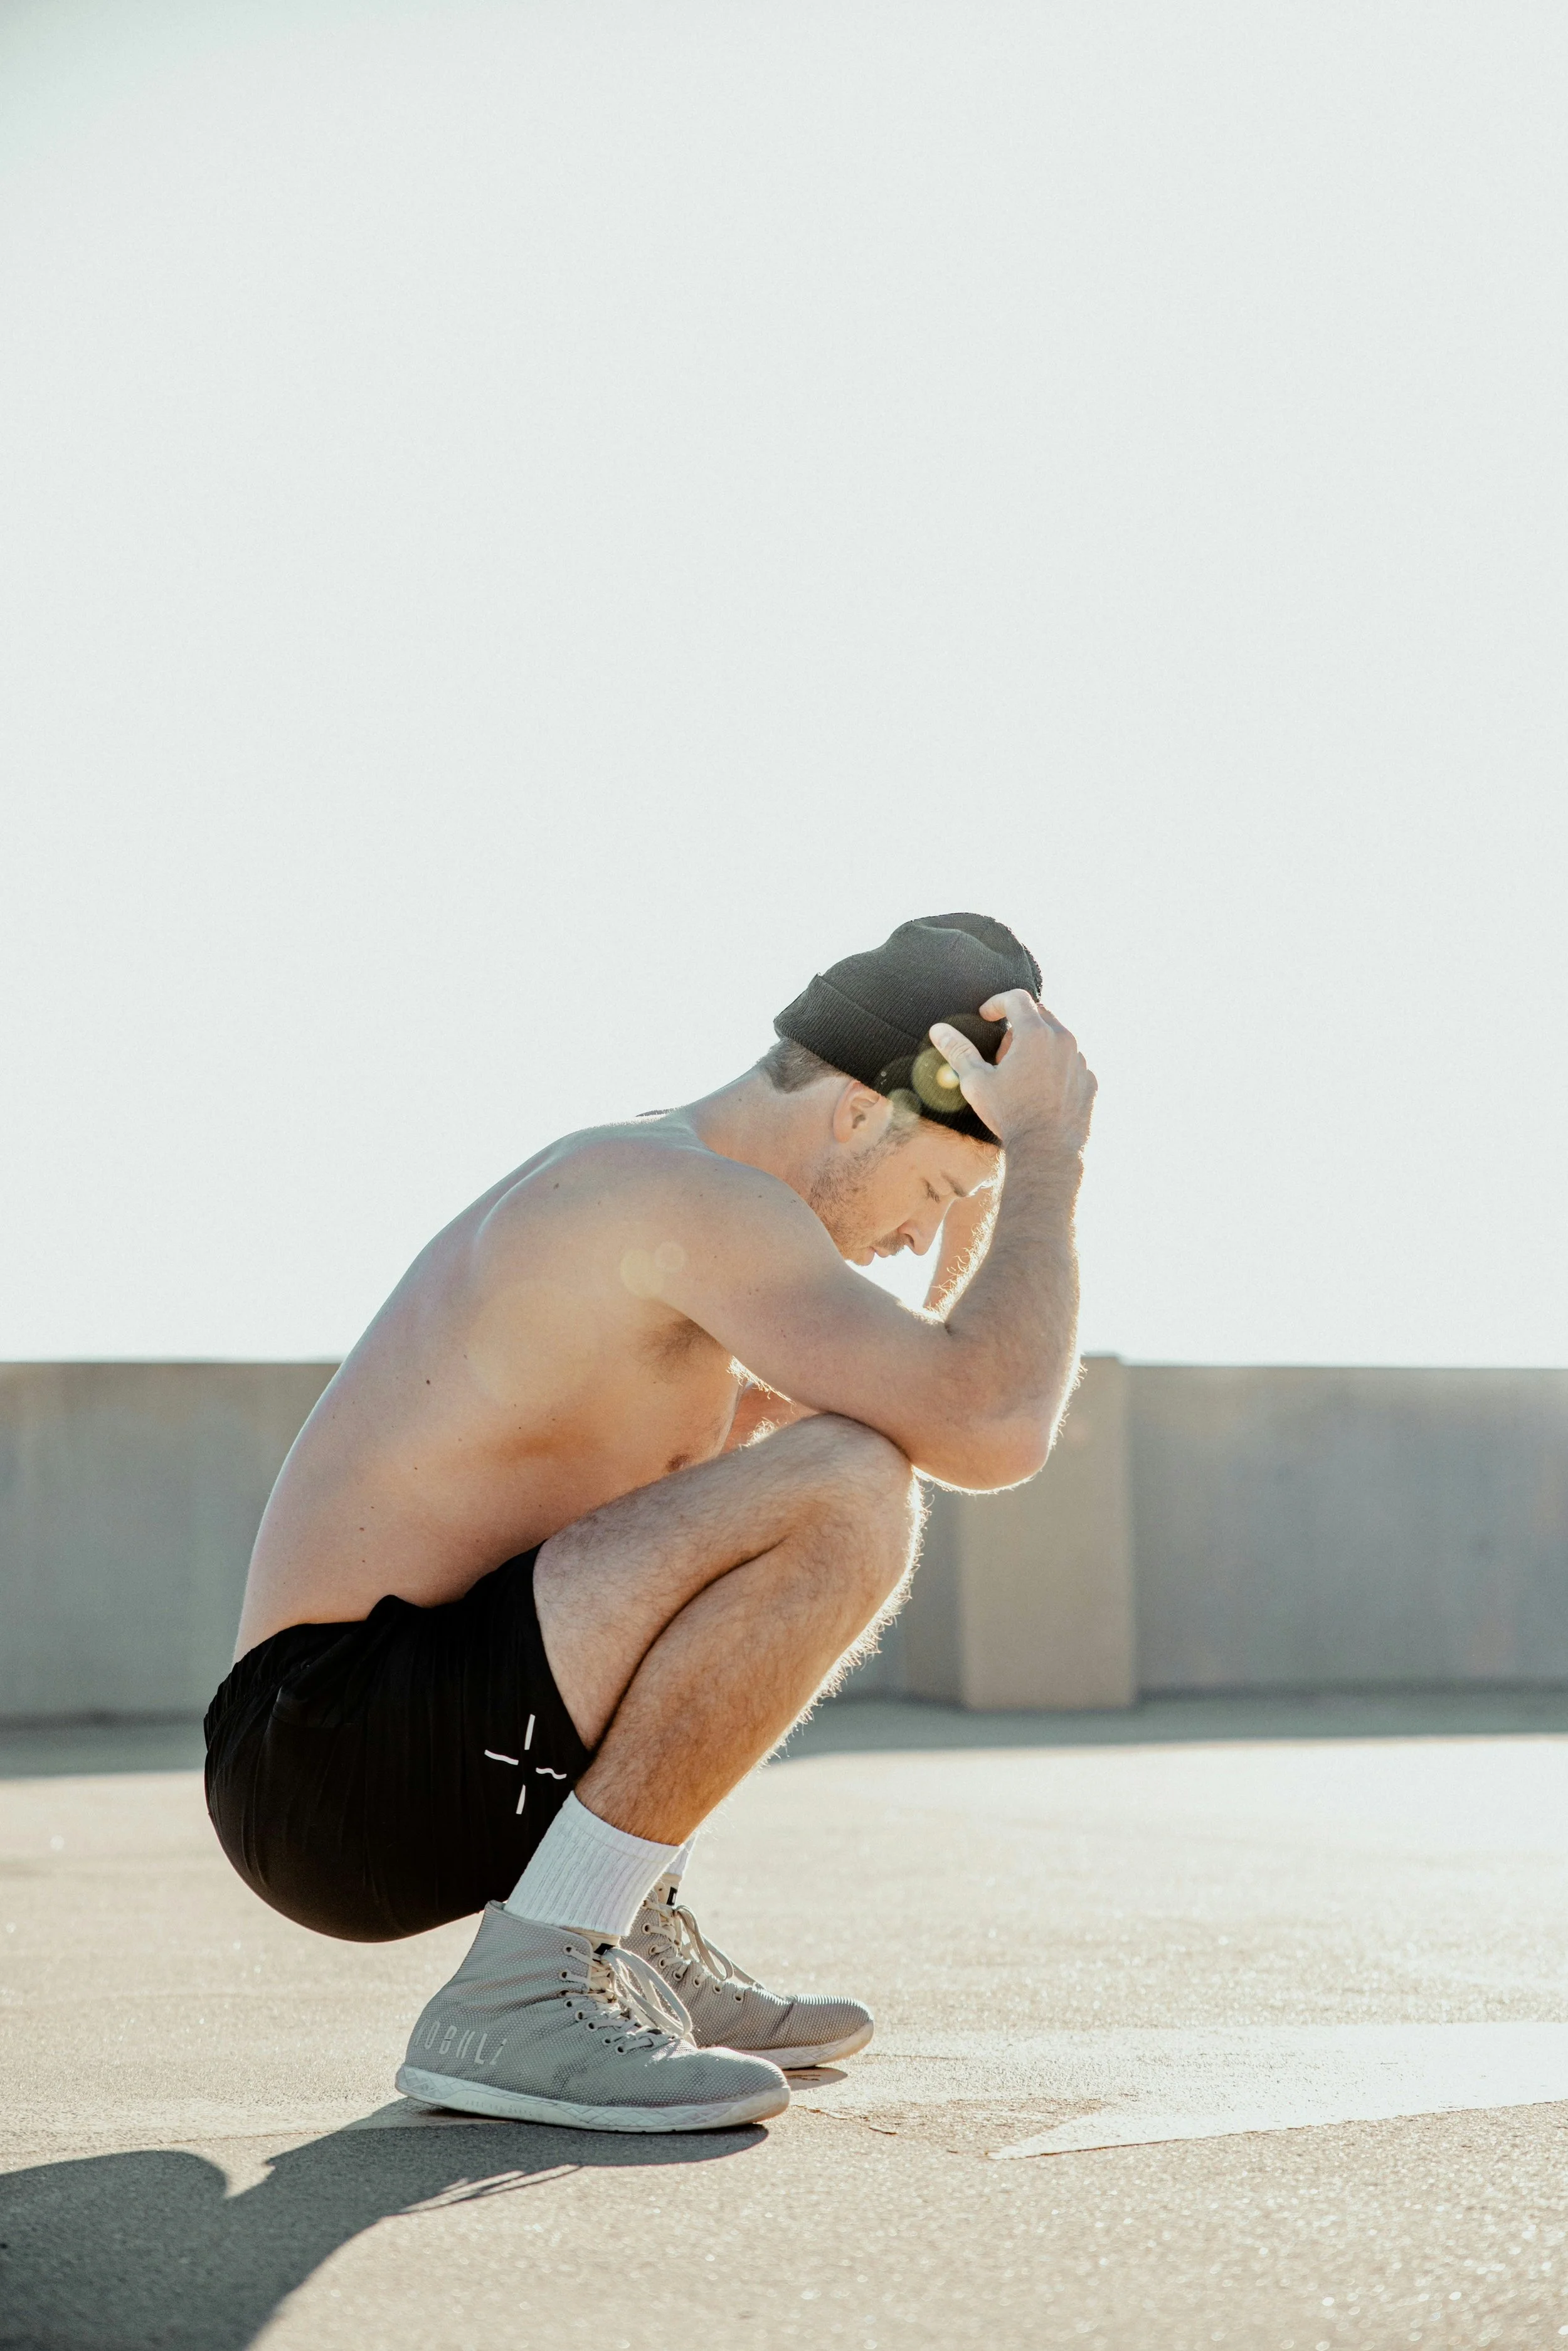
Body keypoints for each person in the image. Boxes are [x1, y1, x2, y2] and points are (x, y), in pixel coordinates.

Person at [204, 913, 1096, 2133]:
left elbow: (951, 1374)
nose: (909, 1241)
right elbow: (993, 1423)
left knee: (828, 1450)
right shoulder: (675, 1196)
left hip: (377, 1738)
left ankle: (617, 1924)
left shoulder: (679, 1204)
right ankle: (527, 1982)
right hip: (325, 1750)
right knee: (845, 1482)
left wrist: (976, 1204)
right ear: (851, 1111)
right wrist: (1046, 1152)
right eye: (931, 1191)